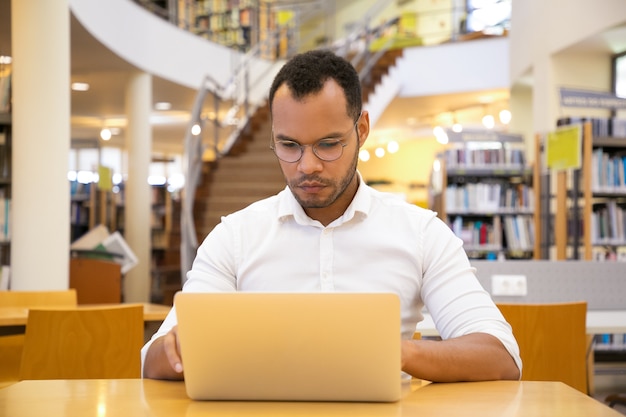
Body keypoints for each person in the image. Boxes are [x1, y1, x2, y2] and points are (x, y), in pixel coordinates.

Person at [142, 49, 522, 382]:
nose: (307, 166)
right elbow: (155, 360)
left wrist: (395, 353)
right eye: (288, 145)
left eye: (328, 144)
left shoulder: (421, 233)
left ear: (362, 129)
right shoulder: (235, 237)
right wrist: (175, 349)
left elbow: (500, 357)